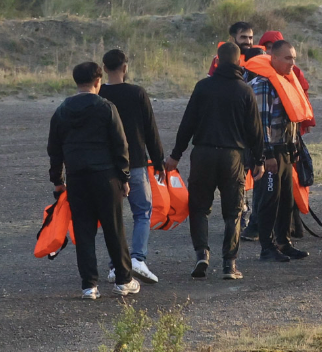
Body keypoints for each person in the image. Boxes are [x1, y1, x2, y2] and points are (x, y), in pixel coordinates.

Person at [165, 42, 265, 280]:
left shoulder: (203, 87)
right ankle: (229, 265)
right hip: (233, 157)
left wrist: (175, 155)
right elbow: (255, 131)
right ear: (240, 62)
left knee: (199, 208)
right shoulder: (245, 91)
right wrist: (259, 159)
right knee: (233, 212)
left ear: (217, 61)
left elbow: (187, 123)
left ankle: (202, 254)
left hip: (203, 154)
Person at [48, 61, 141, 299]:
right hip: (105, 177)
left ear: (76, 81)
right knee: (114, 229)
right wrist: (124, 176)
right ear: (98, 81)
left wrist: (58, 180)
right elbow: (121, 146)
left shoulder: (62, 110)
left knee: (84, 232)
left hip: (77, 178)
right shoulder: (106, 107)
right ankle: (123, 280)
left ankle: (89, 286)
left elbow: (54, 149)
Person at [98, 49, 165, 285]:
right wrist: (158, 160)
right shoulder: (137, 93)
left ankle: (116, 265)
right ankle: (137, 258)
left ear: (104, 68)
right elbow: (150, 130)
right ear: (125, 67)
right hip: (135, 161)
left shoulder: (100, 95)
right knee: (142, 212)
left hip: (106, 166)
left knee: (112, 217)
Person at [244, 40, 313, 262]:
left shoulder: (285, 81)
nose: (292, 63)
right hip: (271, 154)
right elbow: (260, 124)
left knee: (286, 200)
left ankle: (284, 242)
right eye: (287, 58)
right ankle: (267, 247)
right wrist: (267, 155)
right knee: (268, 199)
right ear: (273, 58)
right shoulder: (263, 85)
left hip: (287, 151)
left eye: (294, 58)